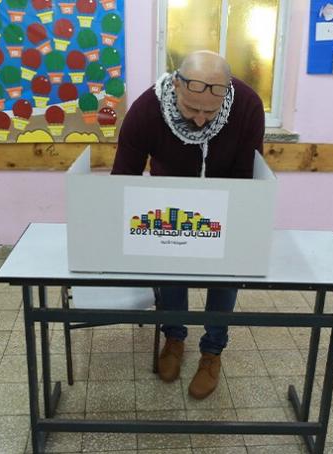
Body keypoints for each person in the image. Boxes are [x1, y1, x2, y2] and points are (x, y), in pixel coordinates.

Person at [111, 50, 265, 399]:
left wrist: (231, 225)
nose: (199, 120)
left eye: (210, 112)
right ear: (176, 85)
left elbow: (247, 176)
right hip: (168, 201)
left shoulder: (248, 106)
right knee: (170, 270)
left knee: (226, 274)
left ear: (226, 92)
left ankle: (212, 351)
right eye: (191, 109)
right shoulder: (146, 110)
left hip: (227, 198)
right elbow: (123, 177)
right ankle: (174, 338)